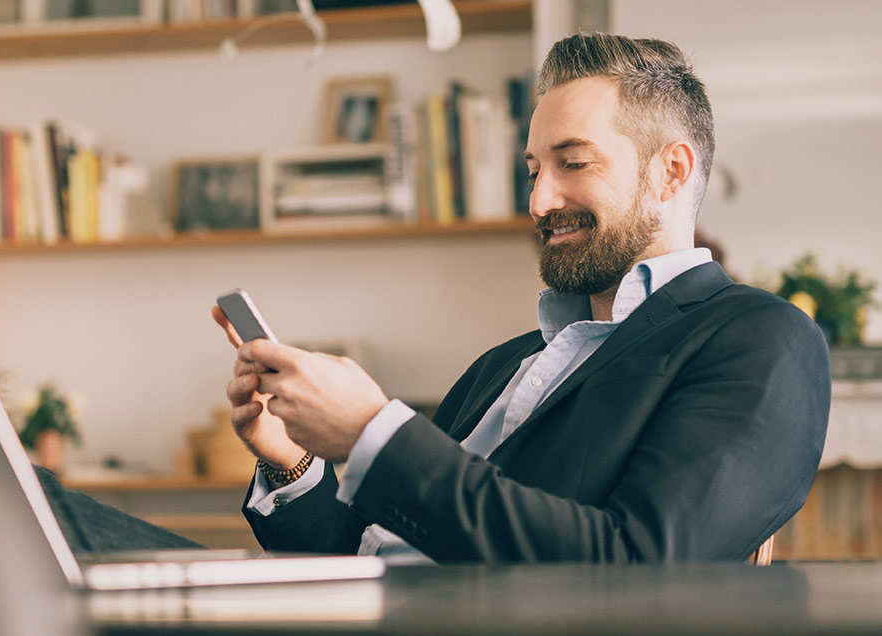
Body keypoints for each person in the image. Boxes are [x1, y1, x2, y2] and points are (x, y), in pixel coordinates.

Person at [212, 33, 832, 563]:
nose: (538, 202)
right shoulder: (500, 367)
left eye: (574, 164)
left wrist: (376, 434)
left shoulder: (757, 338)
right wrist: (290, 461)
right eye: (534, 170)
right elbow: (366, 556)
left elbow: (640, 563)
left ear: (671, 171)